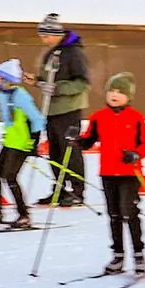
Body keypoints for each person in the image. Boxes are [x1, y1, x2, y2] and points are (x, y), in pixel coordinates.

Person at [79, 73, 145, 275]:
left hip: (129, 173)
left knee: (130, 212)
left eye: (120, 92)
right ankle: (118, 255)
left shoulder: (136, 118)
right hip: (108, 173)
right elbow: (88, 140)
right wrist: (75, 140)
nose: (114, 95)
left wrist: (136, 154)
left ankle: (139, 254)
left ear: (129, 97)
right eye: (111, 91)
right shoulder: (98, 117)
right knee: (114, 215)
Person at [0, 59, 45, 229]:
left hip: (22, 143)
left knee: (10, 176)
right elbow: (9, 119)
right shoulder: (1, 94)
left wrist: (33, 143)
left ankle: (24, 215)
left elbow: (37, 119)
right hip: (11, 140)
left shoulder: (21, 96)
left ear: (6, 79)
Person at [35, 13, 90, 207]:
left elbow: (82, 82)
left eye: (46, 35)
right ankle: (59, 189)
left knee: (70, 150)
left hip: (69, 109)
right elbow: (48, 79)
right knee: (55, 152)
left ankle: (77, 190)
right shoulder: (52, 53)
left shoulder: (74, 53)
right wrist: (36, 81)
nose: (44, 40)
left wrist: (59, 89)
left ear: (56, 33)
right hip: (52, 109)